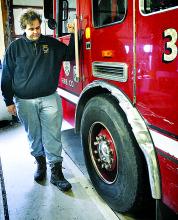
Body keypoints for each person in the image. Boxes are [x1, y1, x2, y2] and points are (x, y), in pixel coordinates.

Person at [1, 9, 75, 191]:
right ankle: (40, 163)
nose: (35, 31)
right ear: (23, 28)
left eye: (37, 28)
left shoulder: (51, 44)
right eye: (30, 28)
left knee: (53, 134)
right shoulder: (15, 48)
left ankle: (56, 171)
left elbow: (70, 54)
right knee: (33, 134)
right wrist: (8, 100)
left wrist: (73, 34)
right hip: (24, 101)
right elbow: (6, 75)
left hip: (49, 98)